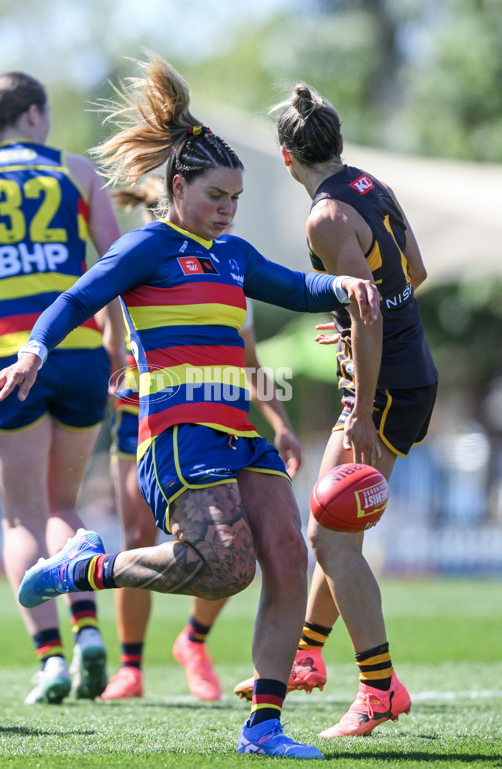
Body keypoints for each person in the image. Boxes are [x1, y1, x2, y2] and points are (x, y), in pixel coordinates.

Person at [0, 54, 380, 759]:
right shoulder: (145, 246)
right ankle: (85, 568)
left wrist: (343, 287)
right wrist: (34, 349)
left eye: (237, 199)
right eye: (218, 195)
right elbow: (74, 300)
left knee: (284, 556)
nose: (228, 209)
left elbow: (294, 286)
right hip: (177, 432)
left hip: (238, 430)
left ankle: (264, 726)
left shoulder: (234, 254)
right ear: (180, 185)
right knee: (224, 565)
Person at [233, 81, 439, 737]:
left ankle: (380, 686)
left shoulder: (323, 217)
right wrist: (355, 327)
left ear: (287, 158)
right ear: (340, 144)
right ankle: (307, 654)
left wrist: (358, 405)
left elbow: (368, 309)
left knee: (327, 533)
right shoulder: (371, 186)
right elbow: (414, 271)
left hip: (384, 388)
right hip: (405, 374)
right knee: (334, 524)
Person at [0, 71, 124, 705]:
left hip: (5, 357)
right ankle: (90, 632)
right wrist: (120, 345)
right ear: (33, 114)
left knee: (21, 516)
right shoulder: (78, 173)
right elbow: (119, 261)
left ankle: (53, 660)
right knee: (65, 506)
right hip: (80, 351)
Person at [101, 179, 304, 701]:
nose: (224, 211)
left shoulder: (230, 269)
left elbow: (250, 361)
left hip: (218, 419)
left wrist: (279, 424)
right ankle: (130, 666)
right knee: (135, 530)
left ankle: (194, 639)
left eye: (233, 199)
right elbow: (111, 345)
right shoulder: (139, 262)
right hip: (147, 413)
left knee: (235, 537)